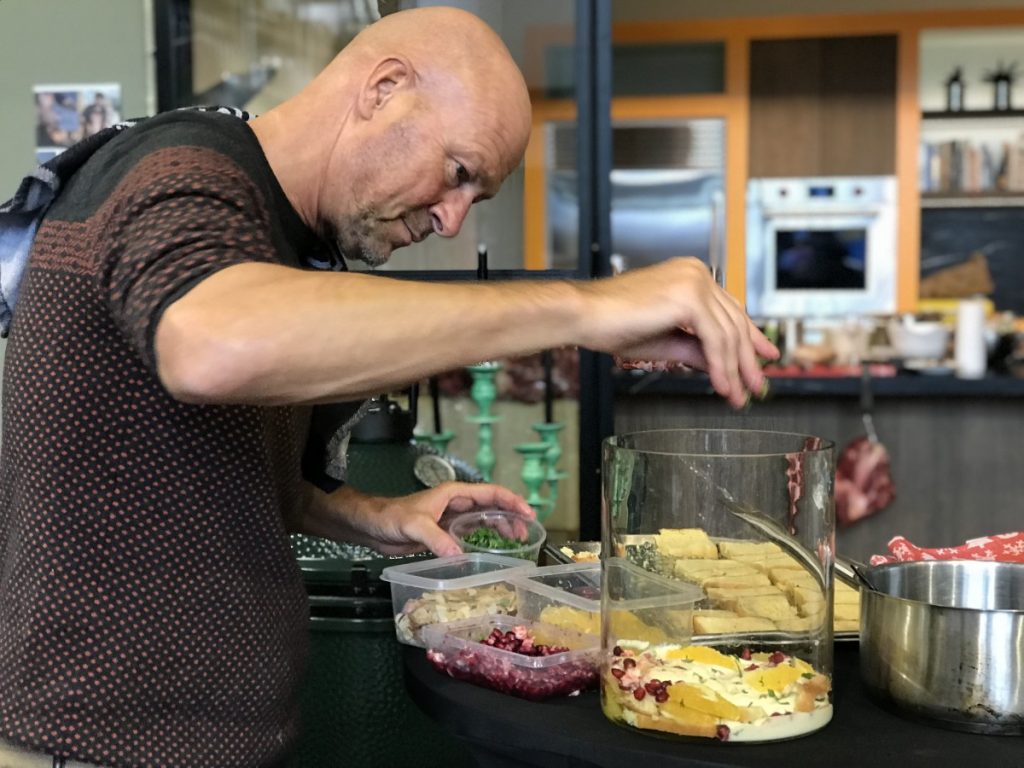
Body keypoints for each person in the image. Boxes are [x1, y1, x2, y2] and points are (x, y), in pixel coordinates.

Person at [0, 7, 777, 768]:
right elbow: (211, 349)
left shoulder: (279, 236)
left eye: (476, 198)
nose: (449, 220)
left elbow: (206, 469)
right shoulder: (180, 173)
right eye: (458, 173)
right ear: (382, 89)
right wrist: (580, 304)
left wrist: (371, 516)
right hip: (90, 742)